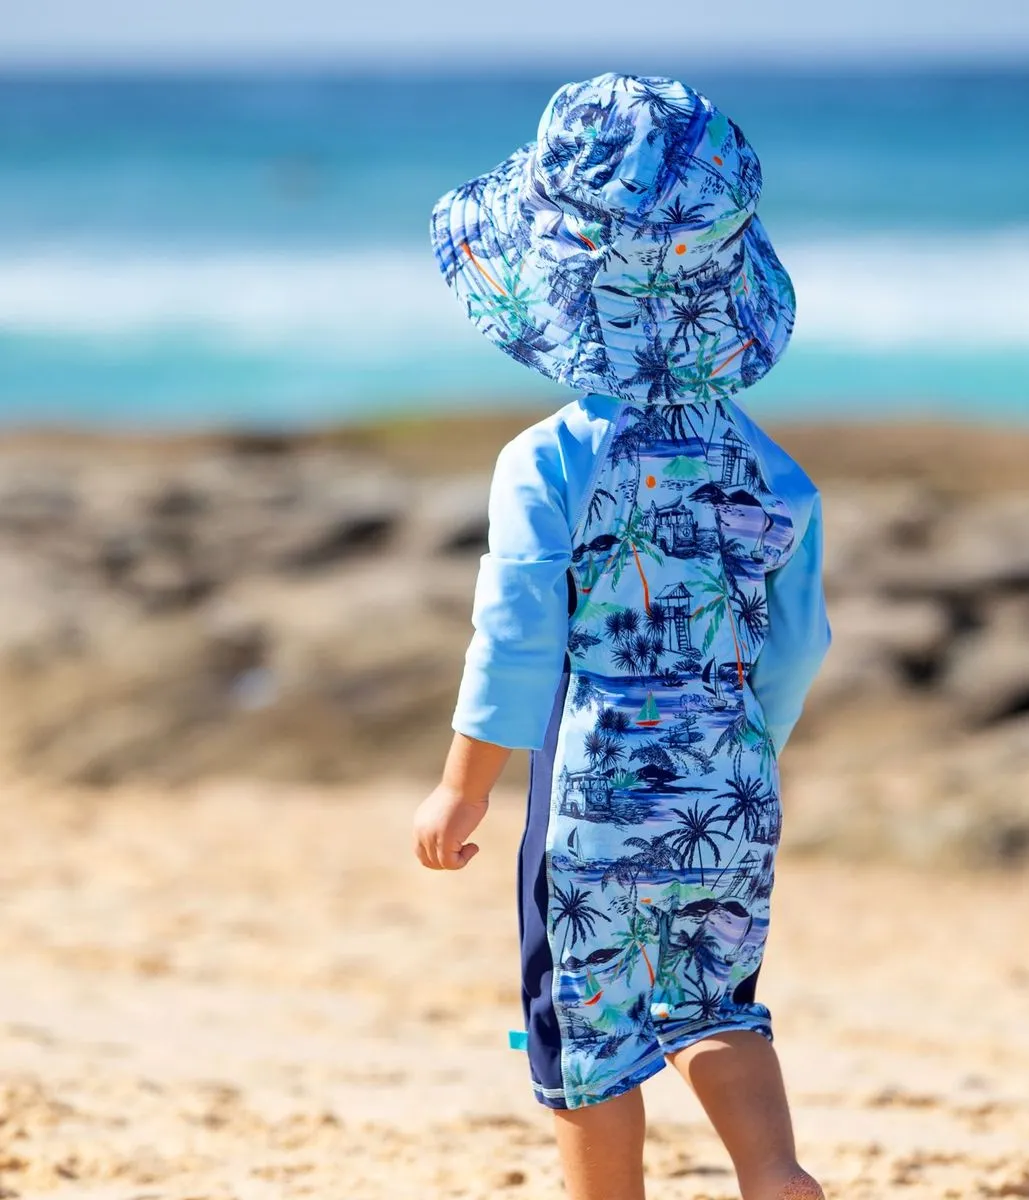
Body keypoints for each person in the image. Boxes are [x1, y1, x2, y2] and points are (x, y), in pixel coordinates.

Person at [413, 72, 831, 1200]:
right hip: (732, 782)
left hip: (594, 791)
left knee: (585, 1031)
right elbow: (799, 645)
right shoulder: (776, 475)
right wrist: (746, 741)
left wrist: (464, 787)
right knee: (715, 1002)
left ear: (556, 286)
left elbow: (515, 640)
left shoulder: (549, 461)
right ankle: (777, 1175)